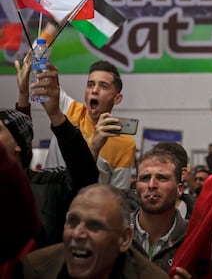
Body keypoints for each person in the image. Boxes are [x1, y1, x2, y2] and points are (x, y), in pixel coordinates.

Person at [11, 60, 101, 247]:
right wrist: (23, 94)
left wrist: (56, 115)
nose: (94, 90)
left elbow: (84, 176)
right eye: (90, 84)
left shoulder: (43, 185)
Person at [13, 184, 169, 278]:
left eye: (94, 225)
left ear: (124, 238)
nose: (77, 234)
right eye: (73, 221)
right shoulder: (31, 269)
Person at [44, 60, 135, 190]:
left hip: (86, 208)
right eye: (90, 85)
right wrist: (44, 40)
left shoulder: (125, 144)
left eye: (103, 86)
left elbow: (118, 198)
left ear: (117, 98)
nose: (94, 90)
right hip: (48, 204)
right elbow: (38, 72)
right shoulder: (69, 110)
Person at [131, 147, 186, 274]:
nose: (151, 185)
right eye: (144, 178)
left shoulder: (194, 238)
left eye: (162, 178)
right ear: (135, 188)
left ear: (179, 189)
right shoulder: (116, 233)